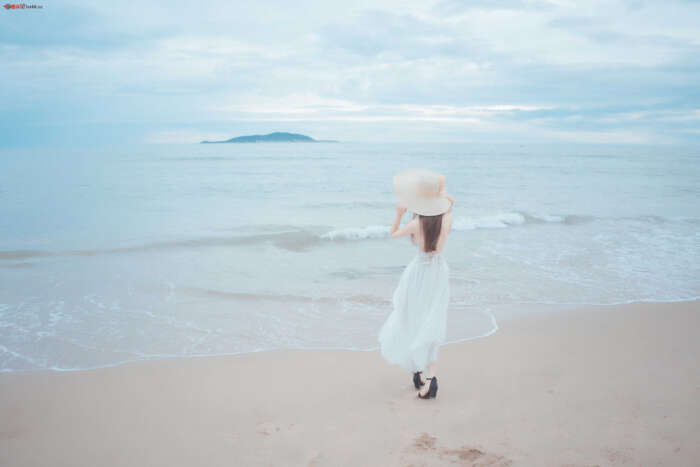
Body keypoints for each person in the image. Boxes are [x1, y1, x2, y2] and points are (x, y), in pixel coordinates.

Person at [378, 169, 455, 399]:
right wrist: (437, 193)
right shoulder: (447, 218)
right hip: (438, 271)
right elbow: (448, 200)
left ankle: (418, 371)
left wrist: (399, 213)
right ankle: (429, 379)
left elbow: (393, 233)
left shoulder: (416, 223)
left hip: (419, 272)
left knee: (413, 317)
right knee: (432, 321)